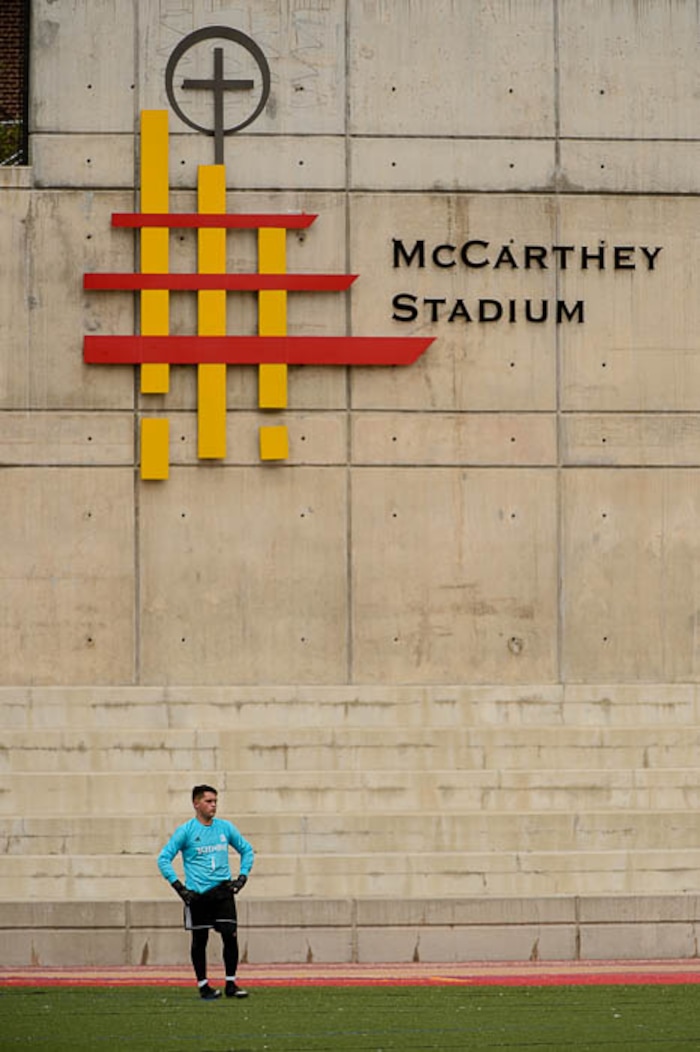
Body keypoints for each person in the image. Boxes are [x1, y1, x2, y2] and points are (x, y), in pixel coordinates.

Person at [157, 784, 254, 1001]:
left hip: (222, 892)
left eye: (215, 801)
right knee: (199, 940)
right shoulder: (186, 831)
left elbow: (246, 850)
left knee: (230, 935)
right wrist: (180, 888)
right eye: (209, 801)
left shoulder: (225, 828)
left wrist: (242, 877)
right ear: (196, 803)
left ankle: (231, 983)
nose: (213, 805)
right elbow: (164, 859)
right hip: (198, 895)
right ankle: (203, 986)